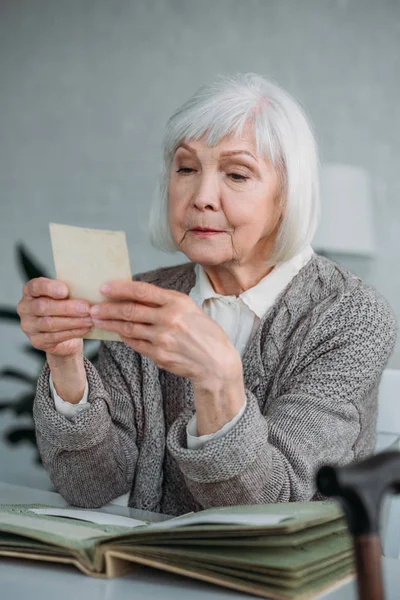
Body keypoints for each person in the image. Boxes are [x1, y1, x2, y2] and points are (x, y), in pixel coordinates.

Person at [18, 73, 397, 515]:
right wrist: (65, 361)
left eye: (237, 174)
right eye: (186, 168)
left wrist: (218, 380)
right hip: (158, 573)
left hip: (286, 579)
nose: (201, 196)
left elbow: (271, 508)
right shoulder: (146, 295)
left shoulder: (352, 316)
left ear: (287, 197)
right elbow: (94, 488)